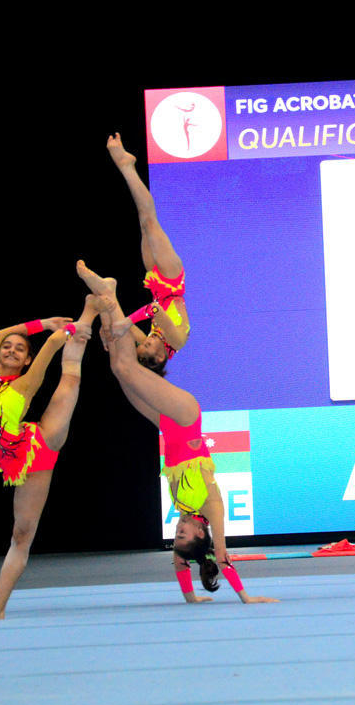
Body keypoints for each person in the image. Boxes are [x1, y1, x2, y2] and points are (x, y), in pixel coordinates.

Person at [77, 259, 276, 605]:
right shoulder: (211, 508)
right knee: (126, 365)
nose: (178, 527)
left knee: (119, 369)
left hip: (167, 427)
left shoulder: (183, 508)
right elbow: (224, 556)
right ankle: (109, 297)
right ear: (202, 531)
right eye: (184, 532)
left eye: (176, 533)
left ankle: (110, 303)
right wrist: (246, 597)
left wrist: (191, 597)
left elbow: (181, 560)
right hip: (185, 417)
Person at [0, 296, 99, 621]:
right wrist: (45, 322)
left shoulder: (25, 383)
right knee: (20, 534)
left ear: (26, 361)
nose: (10, 349)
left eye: (19, 349)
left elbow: (52, 345)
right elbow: (0, 333)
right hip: (15, 461)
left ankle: (91, 308)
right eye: (8, 348)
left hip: (36, 450)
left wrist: (72, 327)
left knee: (68, 382)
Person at [106, 133, 191, 373]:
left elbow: (120, 325)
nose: (146, 341)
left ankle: (127, 167)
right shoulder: (176, 342)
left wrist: (109, 328)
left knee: (144, 221)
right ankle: (126, 166)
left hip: (155, 283)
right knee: (151, 222)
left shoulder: (153, 340)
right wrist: (125, 323)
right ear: (160, 357)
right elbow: (154, 310)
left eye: (142, 344)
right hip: (172, 280)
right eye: (148, 346)